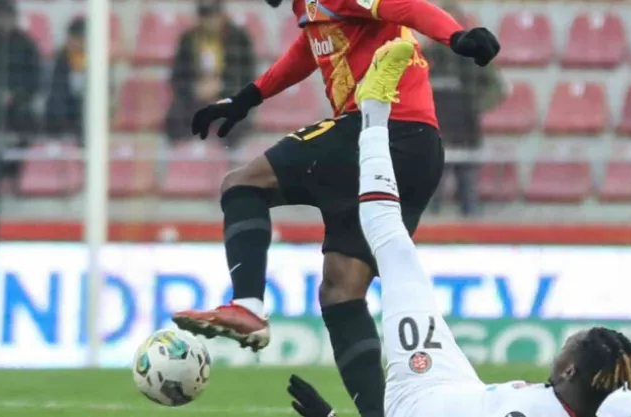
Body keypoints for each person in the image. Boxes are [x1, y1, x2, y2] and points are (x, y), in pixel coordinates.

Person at [284, 40, 631, 417]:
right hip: (457, 381)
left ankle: (374, 110)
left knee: (393, 246)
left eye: (569, 346)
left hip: (416, 399)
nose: (563, 349)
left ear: (570, 369)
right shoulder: (611, 406)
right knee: (394, 247)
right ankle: (374, 108)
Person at [172, 0, 499, 416]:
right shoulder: (313, 8)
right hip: (416, 150)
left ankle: (248, 305)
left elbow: (406, 6)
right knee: (340, 290)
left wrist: (456, 36)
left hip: (385, 130)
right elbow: (311, 49)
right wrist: (247, 97)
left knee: (243, 184)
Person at [422, 1, 505, 216]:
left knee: (468, 188)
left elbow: (496, 87)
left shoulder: (474, 54)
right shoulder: (425, 54)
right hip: (434, 130)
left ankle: (471, 224)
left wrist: (475, 106)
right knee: (430, 190)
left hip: (466, 130)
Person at [164, 0, 255, 143]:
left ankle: (229, 155)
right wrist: (195, 89)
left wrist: (221, 87)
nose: (209, 21)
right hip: (194, 102)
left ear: (221, 15)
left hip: (228, 99)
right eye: (204, 15)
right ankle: (188, 153)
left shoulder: (239, 39)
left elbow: (247, 77)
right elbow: (177, 77)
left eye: (213, 15)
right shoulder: (188, 39)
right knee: (175, 120)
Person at [0, 0, 41, 136]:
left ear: (15, 17)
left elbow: (34, 79)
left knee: (26, 116)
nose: (3, 21)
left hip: (18, 102)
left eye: (7, 16)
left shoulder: (26, 44)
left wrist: (15, 94)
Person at [45, 18, 86, 139]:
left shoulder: (96, 58)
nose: (79, 43)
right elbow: (57, 89)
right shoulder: (62, 58)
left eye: (82, 38)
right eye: (75, 38)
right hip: (66, 108)